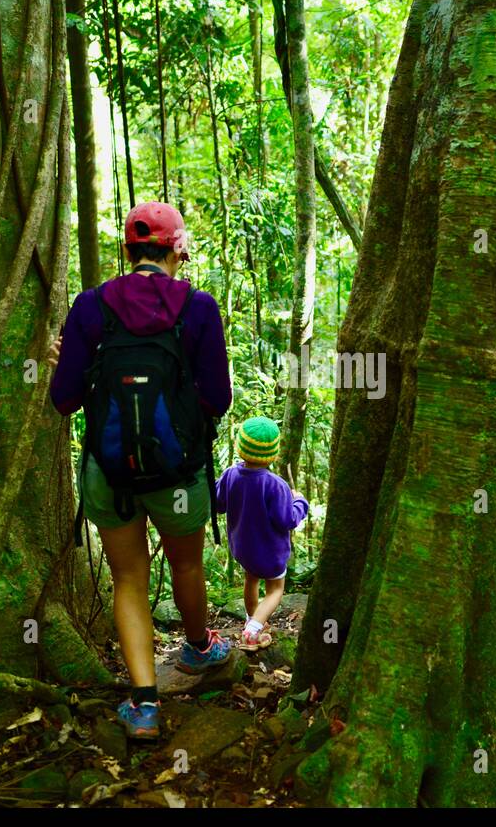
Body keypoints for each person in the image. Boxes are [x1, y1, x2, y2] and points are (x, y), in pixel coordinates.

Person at [47, 201, 231, 739]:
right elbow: (217, 399)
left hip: (112, 474)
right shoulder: (197, 307)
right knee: (187, 567)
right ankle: (198, 649)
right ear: (178, 249)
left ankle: (146, 704)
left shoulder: (90, 306)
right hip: (179, 475)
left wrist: (63, 361)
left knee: (129, 576)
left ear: (128, 251)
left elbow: (64, 401)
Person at [213, 417, 309, 651]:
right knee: (275, 590)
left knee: (251, 579)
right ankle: (253, 630)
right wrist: (299, 502)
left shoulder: (230, 474)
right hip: (270, 552)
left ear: (240, 447)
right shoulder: (276, 484)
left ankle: (251, 620)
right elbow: (287, 520)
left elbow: (218, 503)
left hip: (244, 549)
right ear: (272, 454)